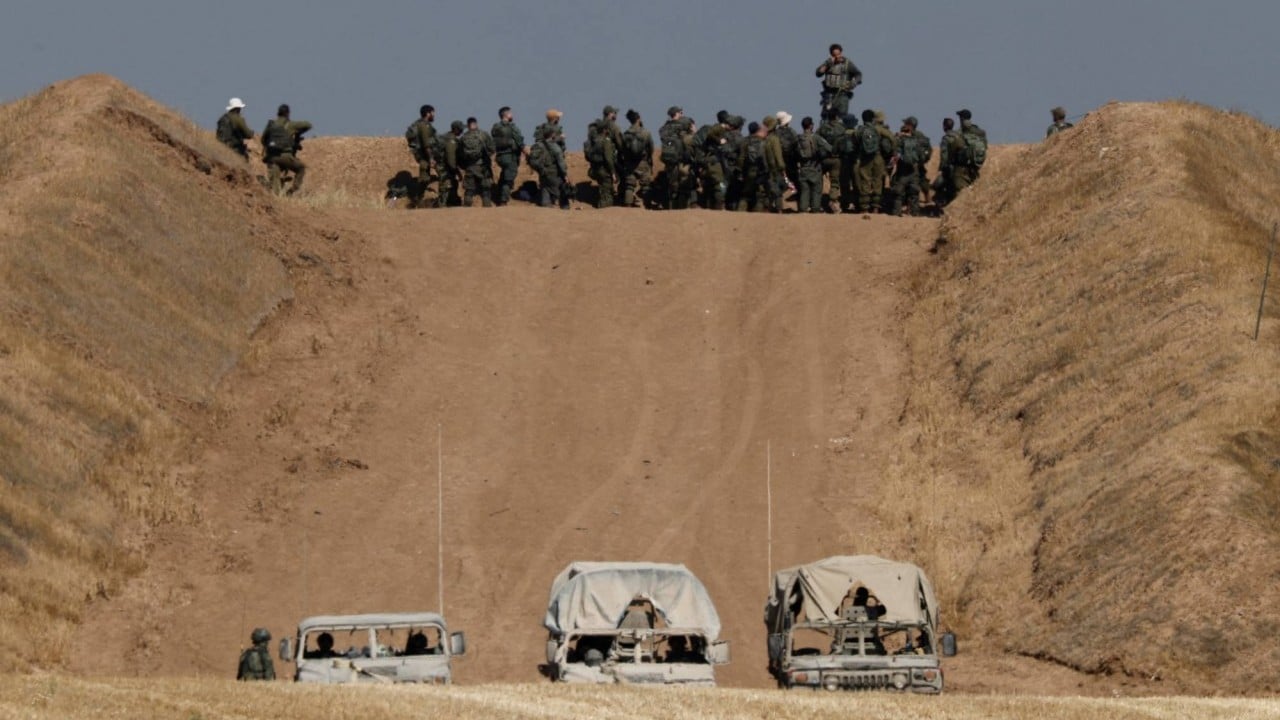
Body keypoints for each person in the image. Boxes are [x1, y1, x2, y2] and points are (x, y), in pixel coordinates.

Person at [261, 104, 312, 196]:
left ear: (278, 113)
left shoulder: (271, 125)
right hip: (286, 157)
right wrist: (298, 132)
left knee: (275, 183)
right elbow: (308, 125)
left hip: (272, 158)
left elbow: (263, 140)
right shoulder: (290, 124)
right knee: (301, 168)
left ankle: (276, 197)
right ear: (287, 113)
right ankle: (291, 192)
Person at [853, 109, 895, 213]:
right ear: (873, 119)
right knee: (878, 181)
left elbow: (855, 143)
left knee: (865, 181)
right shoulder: (878, 129)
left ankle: (864, 208)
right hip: (878, 157)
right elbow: (892, 138)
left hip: (865, 158)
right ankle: (876, 207)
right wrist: (894, 152)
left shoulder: (859, 130)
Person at [890, 116, 929, 216]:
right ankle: (915, 212)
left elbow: (895, 154)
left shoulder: (900, 138)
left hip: (902, 169)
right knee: (914, 191)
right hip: (914, 168)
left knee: (898, 191)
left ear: (909, 125)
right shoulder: (919, 138)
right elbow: (924, 154)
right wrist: (919, 162)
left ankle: (896, 212)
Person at [658, 107, 694, 210]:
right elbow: (693, 133)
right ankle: (683, 208)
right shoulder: (684, 123)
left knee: (672, 185)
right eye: (681, 112)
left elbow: (662, 136)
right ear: (677, 113)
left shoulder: (665, 127)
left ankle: (671, 208)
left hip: (670, 159)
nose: (682, 114)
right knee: (684, 184)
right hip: (682, 158)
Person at [795, 116, 832, 213]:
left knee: (804, 191)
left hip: (803, 169)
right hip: (815, 168)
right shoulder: (816, 137)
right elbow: (829, 148)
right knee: (816, 190)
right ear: (811, 126)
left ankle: (803, 210)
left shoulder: (798, 138)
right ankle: (815, 210)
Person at [815, 43, 862, 118]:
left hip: (842, 95)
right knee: (826, 116)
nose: (837, 57)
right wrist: (827, 64)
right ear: (831, 55)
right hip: (829, 95)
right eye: (834, 55)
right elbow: (818, 73)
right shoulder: (828, 63)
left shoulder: (847, 63)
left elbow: (858, 74)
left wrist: (854, 82)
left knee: (842, 117)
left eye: (839, 54)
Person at [491, 106, 526, 206]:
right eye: (510, 113)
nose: (512, 115)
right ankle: (503, 201)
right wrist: (525, 152)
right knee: (509, 179)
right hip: (510, 156)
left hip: (500, 156)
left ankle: (498, 196)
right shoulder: (512, 127)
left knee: (503, 176)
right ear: (506, 115)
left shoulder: (496, 127)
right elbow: (519, 141)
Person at [618, 109, 653, 208]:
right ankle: (648, 206)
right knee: (646, 186)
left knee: (629, 186)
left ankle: (628, 205)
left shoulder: (626, 134)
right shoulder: (646, 133)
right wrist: (648, 158)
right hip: (643, 163)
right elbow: (651, 148)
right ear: (638, 119)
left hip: (630, 164)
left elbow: (622, 149)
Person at [459, 117, 495, 207]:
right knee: (486, 189)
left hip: (470, 166)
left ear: (468, 125)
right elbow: (492, 149)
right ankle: (487, 207)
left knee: (469, 189)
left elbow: (460, 153)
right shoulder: (483, 134)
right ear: (476, 123)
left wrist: (465, 165)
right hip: (483, 166)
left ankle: (466, 208)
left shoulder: (463, 137)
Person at [406, 104, 437, 208]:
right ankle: (443, 201)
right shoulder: (424, 125)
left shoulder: (418, 123)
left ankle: (417, 201)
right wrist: (431, 158)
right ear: (428, 114)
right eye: (433, 113)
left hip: (421, 155)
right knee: (438, 176)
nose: (434, 115)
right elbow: (426, 144)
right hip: (426, 155)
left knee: (425, 178)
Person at [816, 110, 846, 212]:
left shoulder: (822, 128)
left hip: (823, 159)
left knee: (819, 180)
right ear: (836, 117)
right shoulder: (842, 128)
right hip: (836, 159)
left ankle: (816, 202)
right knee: (834, 182)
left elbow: (816, 139)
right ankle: (833, 201)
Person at [532, 126, 569, 209]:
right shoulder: (555, 147)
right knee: (561, 191)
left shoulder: (538, 145)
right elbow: (561, 163)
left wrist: (540, 169)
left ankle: (545, 205)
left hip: (542, 172)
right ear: (552, 135)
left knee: (545, 188)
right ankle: (565, 208)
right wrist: (565, 175)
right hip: (554, 173)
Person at [932, 117, 959, 208]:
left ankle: (940, 203)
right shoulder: (958, 136)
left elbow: (944, 155)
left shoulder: (946, 138)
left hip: (949, 167)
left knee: (938, 185)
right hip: (959, 167)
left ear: (944, 126)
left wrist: (942, 167)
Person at [437, 120, 464, 208]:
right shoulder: (451, 140)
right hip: (445, 168)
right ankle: (442, 206)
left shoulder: (446, 137)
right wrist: (457, 172)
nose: (462, 131)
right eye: (461, 129)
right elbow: (451, 159)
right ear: (456, 129)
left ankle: (449, 203)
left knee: (452, 184)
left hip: (444, 166)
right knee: (446, 186)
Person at [762, 115, 786, 213]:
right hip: (775, 169)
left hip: (766, 168)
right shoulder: (774, 139)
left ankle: (767, 208)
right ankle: (779, 209)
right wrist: (782, 167)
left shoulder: (764, 139)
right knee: (778, 191)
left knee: (768, 189)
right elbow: (778, 155)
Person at [774, 111, 799, 198]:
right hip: (791, 160)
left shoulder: (775, 133)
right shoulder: (792, 131)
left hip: (779, 160)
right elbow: (796, 144)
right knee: (794, 178)